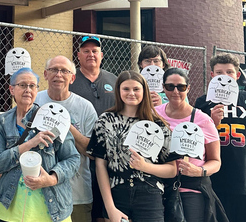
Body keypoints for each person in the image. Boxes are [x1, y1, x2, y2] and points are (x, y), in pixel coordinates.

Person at [0, 68, 80, 222]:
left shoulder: (54, 118)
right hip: (11, 208)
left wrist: (51, 179)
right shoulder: (3, 122)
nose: (28, 90)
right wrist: (30, 143)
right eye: (23, 85)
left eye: (33, 86)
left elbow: (73, 159)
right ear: (11, 89)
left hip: (51, 209)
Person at [86, 70, 176, 222]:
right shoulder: (105, 121)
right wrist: (110, 207)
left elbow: (172, 169)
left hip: (150, 194)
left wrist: (145, 167)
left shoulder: (158, 125)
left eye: (136, 89)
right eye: (126, 89)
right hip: (117, 193)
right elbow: (100, 165)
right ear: (118, 91)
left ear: (144, 91)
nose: (131, 93)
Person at [155, 68, 227, 222]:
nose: (175, 91)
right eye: (170, 87)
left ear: (188, 88)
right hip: (159, 186)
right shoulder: (153, 114)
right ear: (163, 87)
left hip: (191, 188)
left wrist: (199, 171)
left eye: (180, 87)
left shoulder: (203, 119)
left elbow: (216, 161)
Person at [195, 53, 246, 222]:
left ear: (237, 75)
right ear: (212, 75)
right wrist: (212, 122)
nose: (225, 77)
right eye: (219, 73)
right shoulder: (202, 102)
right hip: (217, 178)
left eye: (229, 72)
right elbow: (195, 139)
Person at [35, 55, 98, 222]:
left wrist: (65, 125)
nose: (59, 74)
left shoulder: (85, 108)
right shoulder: (34, 101)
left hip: (77, 194)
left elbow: (92, 152)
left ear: (73, 77)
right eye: (54, 70)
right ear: (45, 74)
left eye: (64, 71)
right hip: (39, 191)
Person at [69, 36, 117, 222]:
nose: (91, 54)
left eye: (95, 51)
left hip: (110, 152)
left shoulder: (113, 79)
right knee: (91, 202)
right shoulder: (72, 80)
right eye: (86, 51)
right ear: (78, 55)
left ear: (101, 55)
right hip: (82, 152)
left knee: (107, 206)